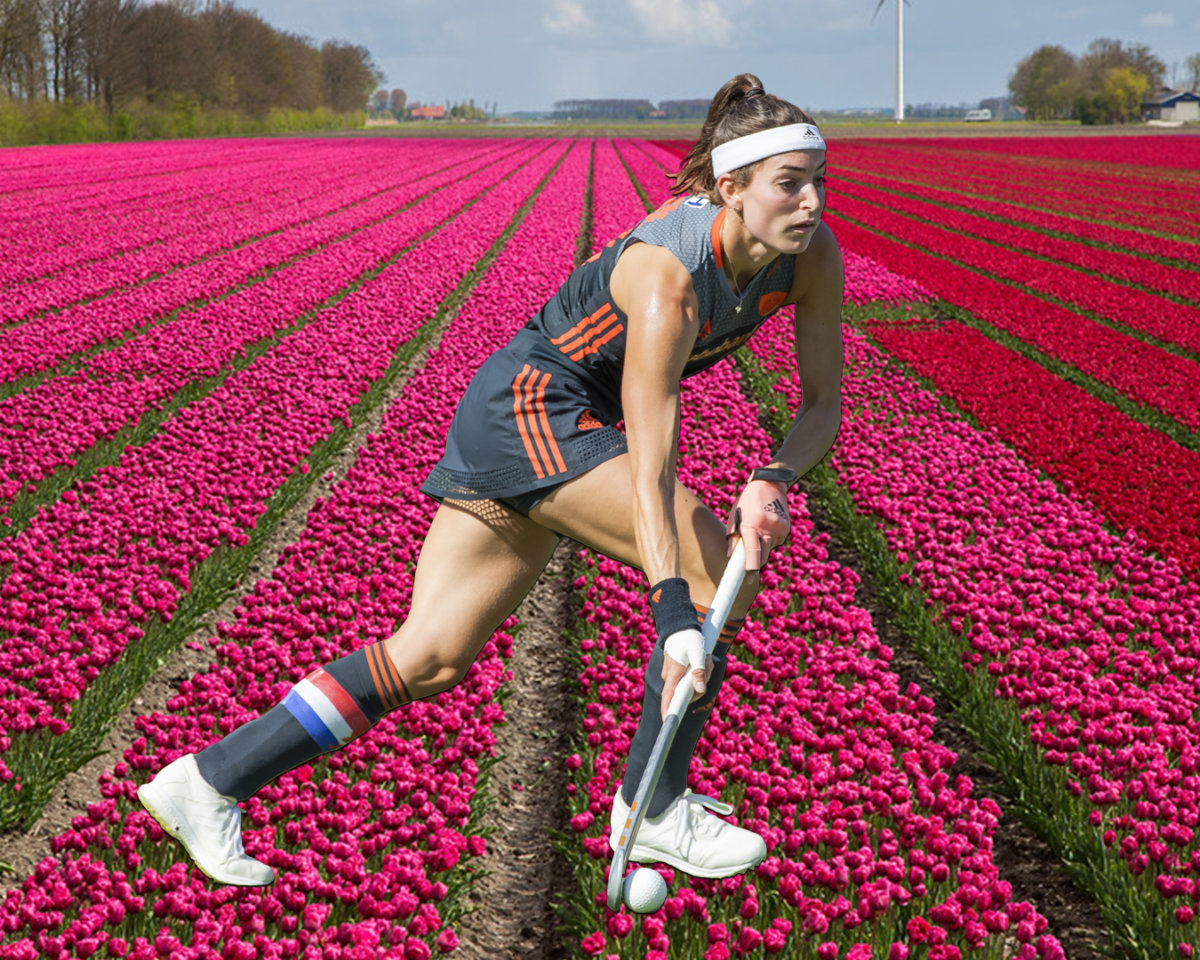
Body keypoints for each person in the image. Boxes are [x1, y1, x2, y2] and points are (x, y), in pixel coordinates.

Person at [138, 72, 844, 888]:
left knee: (429, 658)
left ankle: (209, 780)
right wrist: (671, 606)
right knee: (712, 570)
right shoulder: (669, 279)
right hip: (533, 411)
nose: (811, 203)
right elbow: (651, 464)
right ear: (731, 188)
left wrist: (775, 475)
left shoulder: (810, 257)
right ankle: (653, 809)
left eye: (818, 183)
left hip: (533, 416)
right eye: (789, 185)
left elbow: (824, 402)